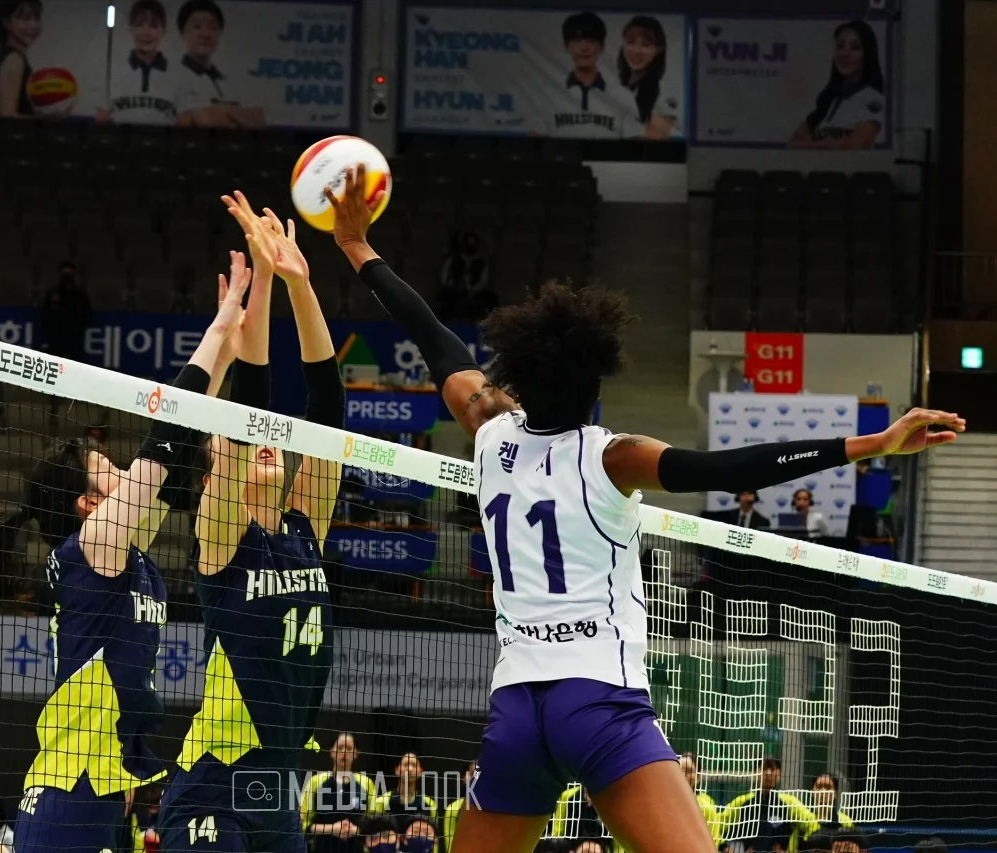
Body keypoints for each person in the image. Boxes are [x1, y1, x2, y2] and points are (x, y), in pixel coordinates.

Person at [322, 162, 966, 853]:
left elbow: (432, 335)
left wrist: (357, 246)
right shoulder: (613, 456)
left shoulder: (488, 429)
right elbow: (733, 466)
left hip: (516, 712)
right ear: (595, 386)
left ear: (520, 377)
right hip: (598, 705)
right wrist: (872, 442)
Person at [0, 267, 247, 853]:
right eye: (107, 468)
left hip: (107, 788)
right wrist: (216, 329)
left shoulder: (125, 551)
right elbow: (163, 442)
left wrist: (232, 344)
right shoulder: (93, 546)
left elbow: (181, 444)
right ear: (88, 504)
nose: (121, 470)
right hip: (68, 792)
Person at [157, 193, 344, 852]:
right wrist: (260, 282)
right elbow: (248, 406)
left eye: (273, 438)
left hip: (276, 787)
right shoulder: (220, 541)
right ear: (217, 469)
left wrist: (299, 283)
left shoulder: (304, 529)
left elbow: (328, 408)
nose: (265, 440)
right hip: (213, 783)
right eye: (245, 441)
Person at [788, 21, 885, 150]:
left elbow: (855, 145)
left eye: (855, 48)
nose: (845, 54)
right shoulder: (829, 99)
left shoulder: (872, 98)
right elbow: (793, 143)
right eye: (840, 46)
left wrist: (813, 145)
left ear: (867, 55)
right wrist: (827, 144)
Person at [174, 0, 266, 128]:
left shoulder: (231, 79)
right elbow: (177, 121)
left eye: (212, 28)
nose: (205, 34)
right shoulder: (171, 78)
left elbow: (259, 119)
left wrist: (223, 111)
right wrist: (235, 113)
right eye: (197, 26)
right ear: (182, 33)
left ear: (220, 33)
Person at [716, 759, 820, 853]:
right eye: (764, 768)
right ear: (756, 773)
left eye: (772, 769)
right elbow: (715, 826)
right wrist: (726, 849)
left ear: (779, 774)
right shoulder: (742, 802)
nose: (768, 773)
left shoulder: (790, 803)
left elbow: (814, 826)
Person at [101, 0, 178, 125]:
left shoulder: (178, 74)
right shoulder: (113, 72)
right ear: (131, 28)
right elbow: (101, 116)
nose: (146, 32)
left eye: (153, 26)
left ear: (163, 31)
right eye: (140, 25)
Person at [551, 12, 627, 139]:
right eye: (577, 41)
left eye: (590, 41)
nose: (583, 48)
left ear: (602, 47)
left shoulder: (619, 94)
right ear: (566, 46)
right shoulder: (551, 91)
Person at [301, 732, 377, 852]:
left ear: (356, 753)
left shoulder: (366, 783)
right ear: (331, 751)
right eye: (340, 747)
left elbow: (374, 823)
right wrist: (332, 829)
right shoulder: (315, 782)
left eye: (349, 748)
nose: (344, 752)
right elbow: (303, 823)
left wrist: (356, 830)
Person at [617, 16, 681, 140]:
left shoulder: (665, 94)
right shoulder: (615, 85)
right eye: (630, 42)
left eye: (646, 45)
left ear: (658, 49)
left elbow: (653, 142)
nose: (636, 51)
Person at [0, 0, 45, 118]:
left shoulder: (15, 57)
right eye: (25, 19)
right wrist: (44, 121)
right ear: (6, 22)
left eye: (37, 18)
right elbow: (7, 116)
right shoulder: (14, 60)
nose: (33, 25)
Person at [372, 753, 438, 834]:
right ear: (397, 770)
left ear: (421, 771)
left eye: (414, 765)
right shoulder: (381, 801)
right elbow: (373, 834)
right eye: (406, 765)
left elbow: (433, 836)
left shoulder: (430, 804)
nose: (410, 769)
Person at [40, 261, 93, 361]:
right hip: (55, 335)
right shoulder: (52, 294)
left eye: (70, 273)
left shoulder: (80, 295)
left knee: (74, 361)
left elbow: (87, 312)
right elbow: (45, 312)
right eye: (65, 273)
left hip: (74, 336)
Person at [439, 232, 494, 322]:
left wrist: (471, 289)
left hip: (475, 293)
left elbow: (483, 282)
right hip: (455, 291)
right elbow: (444, 277)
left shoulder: (482, 263)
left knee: (490, 297)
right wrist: (454, 286)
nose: (470, 245)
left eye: (473, 243)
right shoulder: (453, 260)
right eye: (468, 243)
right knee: (446, 295)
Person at [678, 753, 721, 845]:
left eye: (688, 771)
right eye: (678, 769)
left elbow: (713, 842)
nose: (682, 774)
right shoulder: (664, 802)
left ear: (698, 777)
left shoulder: (706, 807)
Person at [441, 761, 477, 851]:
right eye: (472, 774)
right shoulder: (453, 808)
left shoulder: (495, 808)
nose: (475, 778)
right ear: (463, 778)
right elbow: (450, 843)